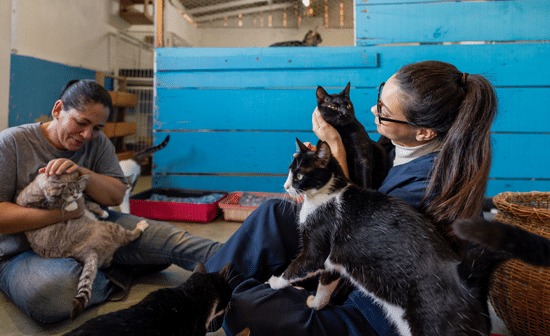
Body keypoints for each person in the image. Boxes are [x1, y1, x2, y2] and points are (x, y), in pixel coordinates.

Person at [204, 60, 498, 335]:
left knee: (244, 302)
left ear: (423, 132)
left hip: (372, 315)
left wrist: (334, 146)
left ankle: (218, 292)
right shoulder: (401, 147)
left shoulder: (425, 186)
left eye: (383, 109)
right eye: (380, 94)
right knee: (274, 214)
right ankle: (203, 293)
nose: (372, 109)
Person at [0, 79, 223, 323]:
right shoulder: (11, 143)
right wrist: (64, 214)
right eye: (81, 122)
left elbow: (117, 194)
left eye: (97, 128)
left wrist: (83, 173)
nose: (87, 135)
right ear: (57, 110)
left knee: (180, 242)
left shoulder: (97, 142)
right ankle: (124, 269)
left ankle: (261, 268)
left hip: (90, 229)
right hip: (24, 253)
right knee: (53, 293)